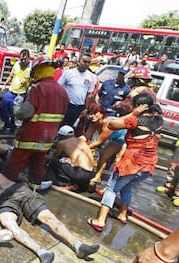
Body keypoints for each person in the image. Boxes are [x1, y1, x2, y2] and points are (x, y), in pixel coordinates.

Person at [0, 154, 100, 263]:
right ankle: (42, 252)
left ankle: (78, 245)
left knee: (47, 217)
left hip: (18, 191)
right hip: (2, 203)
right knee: (9, 226)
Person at [87, 93, 163, 232]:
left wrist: (133, 113)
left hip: (132, 163)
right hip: (148, 165)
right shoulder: (158, 119)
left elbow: (111, 124)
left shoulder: (135, 120)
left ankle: (100, 221)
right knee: (126, 188)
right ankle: (122, 214)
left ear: (137, 107)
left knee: (111, 189)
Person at [3, 56, 68, 191]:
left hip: (30, 136)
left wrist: (16, 108)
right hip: (47, 138)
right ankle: (34, 189)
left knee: (15, 163)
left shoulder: (37, 88)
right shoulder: (62, 91)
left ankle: (3, 188)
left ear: (38, 70)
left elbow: (25, 113)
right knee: (38, 163)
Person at [45, 125, 95, 191]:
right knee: (66, 161)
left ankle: (65, 184)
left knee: (54, 161)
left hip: (79, 173)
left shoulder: (62, 143)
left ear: (61, 136)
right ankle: (85, 184)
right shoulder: (81, 141)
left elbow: (54, 156)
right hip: (91, 173)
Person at [58, 53, 96, 128]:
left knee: (73, 130)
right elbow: (58, 87)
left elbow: (89, 94)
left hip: (80, 108)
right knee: (62, 128)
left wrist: (86, 109)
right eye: (84, 62)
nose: (87, 64)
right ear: (78, 62)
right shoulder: (68, 73)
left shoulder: (91, 77)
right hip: (67, 106)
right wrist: (65, 97)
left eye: (89, 62)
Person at [0, 49, 31, 132]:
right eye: (21, 59)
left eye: (25, 59)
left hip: (21, 94)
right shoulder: (16, 64)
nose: (23, 61)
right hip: (11, 91)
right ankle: (6, 123)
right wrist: (5, 85)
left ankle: (12, 128)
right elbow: (11, 76)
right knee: (3, 107)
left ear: (28, 58)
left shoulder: (31, 68)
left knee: (15, 112)